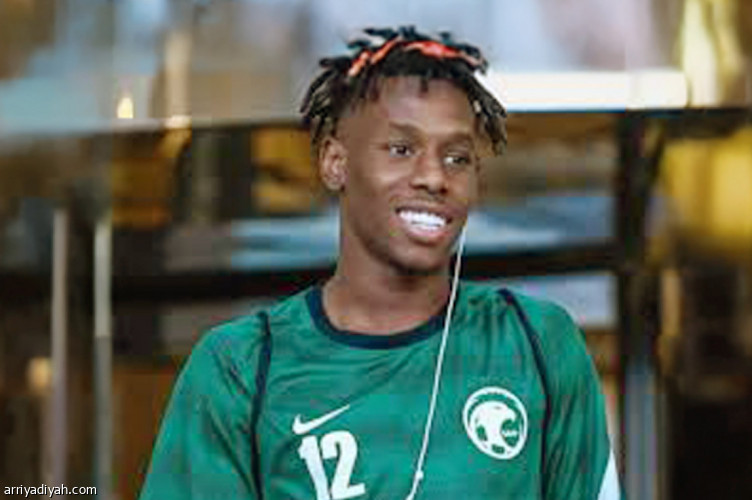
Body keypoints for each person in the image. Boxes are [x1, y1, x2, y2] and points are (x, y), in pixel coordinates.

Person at [140, 26, 621, 500]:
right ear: (335, 162)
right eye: (401, 149)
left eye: (457, 157)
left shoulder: (537, 343)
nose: (434, 176)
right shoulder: (241, 366)